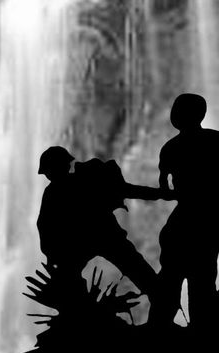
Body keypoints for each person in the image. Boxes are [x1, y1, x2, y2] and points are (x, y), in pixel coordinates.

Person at [37, 145, 163, 298]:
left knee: (142, 274)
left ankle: (160, 302)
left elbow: (44, 226)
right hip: (90, 241)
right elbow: (44, 226)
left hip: (98, 239)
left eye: (49, 171)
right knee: (140, 273)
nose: (49, 175)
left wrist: (159, 194)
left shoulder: (80, 181)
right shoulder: (63, 189)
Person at [150, 93, 219, 328]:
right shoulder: (216, 140)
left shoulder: (171, 147)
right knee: (204, 280)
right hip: (210, 220)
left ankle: (159, 327)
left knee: (170, 277)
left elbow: (165, 189)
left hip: (184, 219)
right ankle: (202, 328)